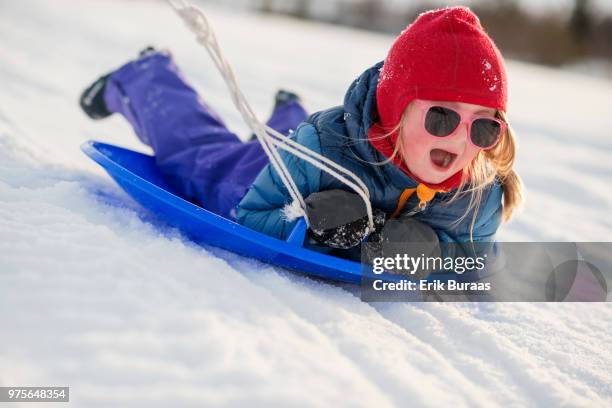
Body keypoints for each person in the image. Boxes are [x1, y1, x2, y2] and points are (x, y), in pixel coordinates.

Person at [80, 7, 523, 261]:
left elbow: (471, 260)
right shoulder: (321, 151)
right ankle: (145, 76)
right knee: (199, 157)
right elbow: (248, 217)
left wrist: (428, 247)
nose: (461, 140)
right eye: (441, 118)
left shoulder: (479, 194)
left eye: (483, 126)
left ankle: (288, 112)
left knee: (290, 137)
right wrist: (307, 224)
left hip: (301, 144)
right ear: (395, 110)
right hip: (280, 175)